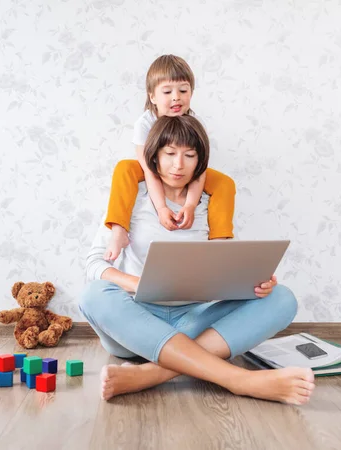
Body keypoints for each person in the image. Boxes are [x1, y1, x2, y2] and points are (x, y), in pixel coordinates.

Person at [81, 115, 315, 405]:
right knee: (93, 296)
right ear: (153, 155)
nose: (178, 165)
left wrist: (256, 283)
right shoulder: (132, 196)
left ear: (200, 161)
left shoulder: (208, 203)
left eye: (189, 155)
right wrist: (136, 283)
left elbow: (226, 267)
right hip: (136, 323)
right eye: (169, 154)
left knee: (282, 298)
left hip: (193, 320)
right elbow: (94, 265)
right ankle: (239, 380)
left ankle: (150, 374)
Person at [103, 54, 236, 261]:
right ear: (153, 97)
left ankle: (220, 241)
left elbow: (199, 169)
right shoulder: (145, 123)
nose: (176, 97)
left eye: (183, 91)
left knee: (224, 183)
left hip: (188, 172)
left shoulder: (194, 122)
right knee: (125, 169)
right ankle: (118, 231)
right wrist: (162, 208)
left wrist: (190, 205)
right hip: (153, 167)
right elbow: (149, 170)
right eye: (167, 92)